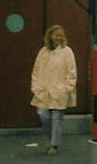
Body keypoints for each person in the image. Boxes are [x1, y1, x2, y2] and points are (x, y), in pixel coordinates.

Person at [31, 25, 77, 154]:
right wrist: (35, 87)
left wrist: (66, 88)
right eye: (56, 35)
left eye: (61, 35)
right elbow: (36, 70)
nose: (58, 38)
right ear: (50, 36)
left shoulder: (67, 52)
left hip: (59, 91)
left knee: (56, 120)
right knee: (43, 116)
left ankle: (54, 145)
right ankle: (52, 140)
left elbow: (71, 72)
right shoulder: (43, 51)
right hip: (43, 91)